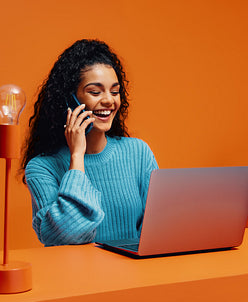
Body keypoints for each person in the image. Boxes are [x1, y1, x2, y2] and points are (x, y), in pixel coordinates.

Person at [21, 39, 158, 246]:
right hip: (77, 277)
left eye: (114, 91)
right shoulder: (42, 167)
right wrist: (77, 157)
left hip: (138, 275)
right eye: (95, 92)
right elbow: (65, 237)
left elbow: (159, 228)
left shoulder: (138, 152)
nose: (109, 101)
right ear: (69, 100)